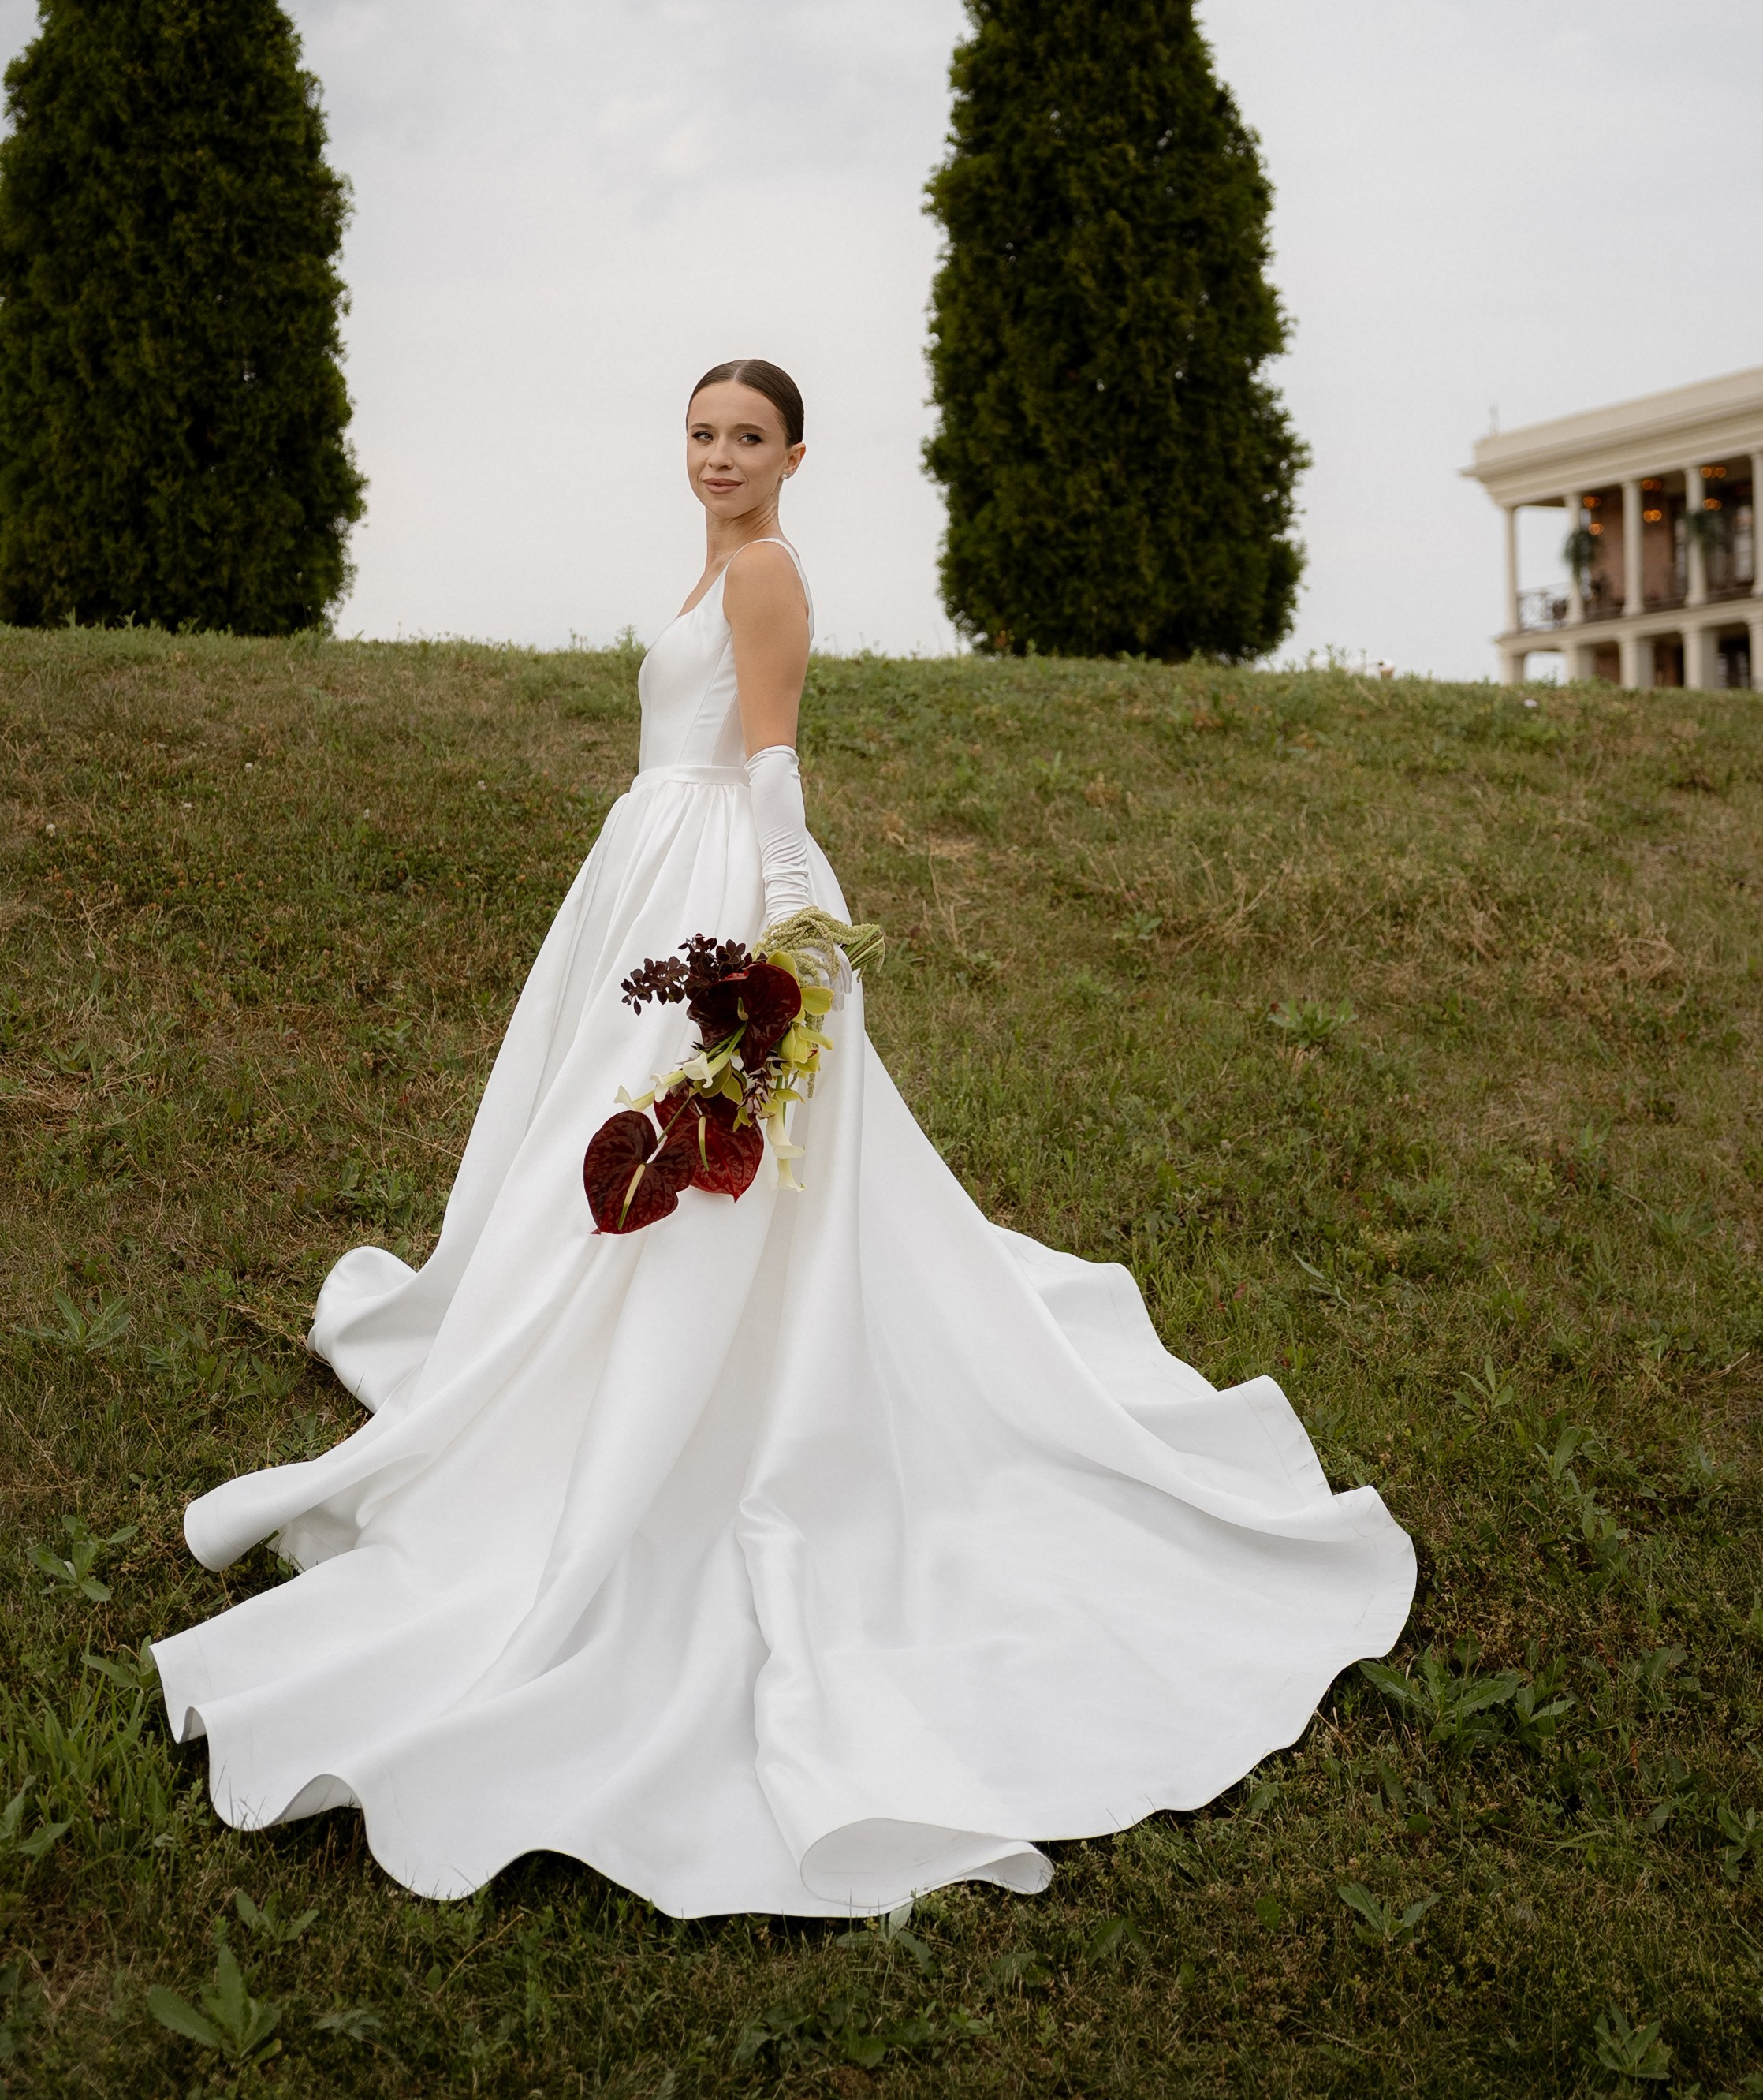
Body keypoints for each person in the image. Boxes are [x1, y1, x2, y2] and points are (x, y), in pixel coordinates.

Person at [153, 356, 1414, 1919]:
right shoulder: (707, 556)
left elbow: (767, 757)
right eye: (697, 432)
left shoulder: (764, 572)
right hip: (646, 857)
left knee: (680, 1156)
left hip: (715, 868)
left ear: (793, 454)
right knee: (585, 1137)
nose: (716, 455)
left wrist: (785, 939)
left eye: (745, 436)